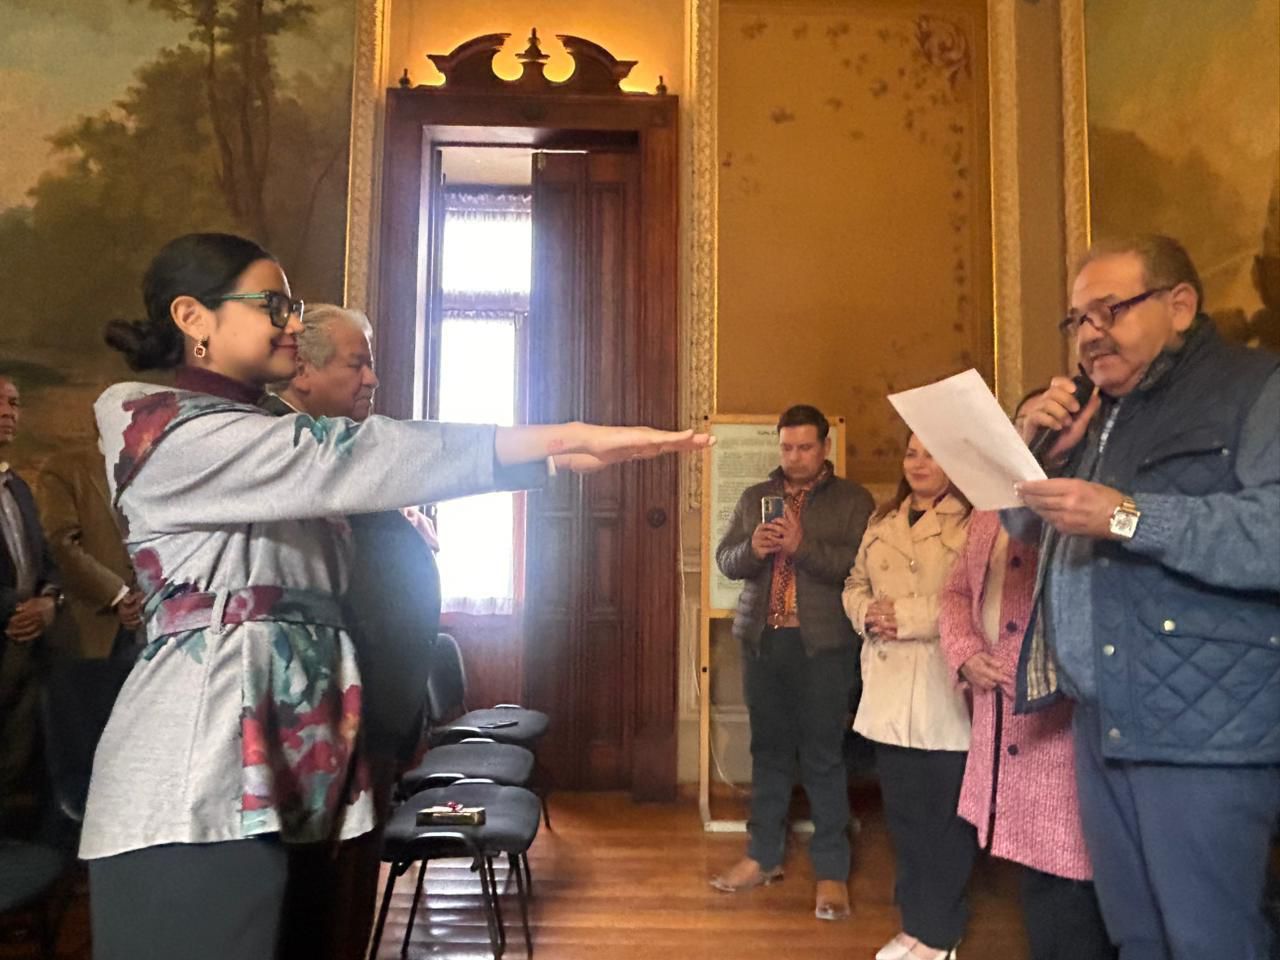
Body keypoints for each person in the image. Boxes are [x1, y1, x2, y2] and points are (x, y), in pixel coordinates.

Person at [81, 232, 710, 960]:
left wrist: (553, 460)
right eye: (273, 306)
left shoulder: (264, 430)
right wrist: (559, 436)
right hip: (194, 779)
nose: (293, 323)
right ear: (193, 316)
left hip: (284, 765)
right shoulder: (160, 429)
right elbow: (350, 456)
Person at [1011, 234, 1279, 960]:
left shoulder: (1256, 387)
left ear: (1180, 305)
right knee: (1136, 939)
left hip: (1203, 729)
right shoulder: (1100, 412)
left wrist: (1126, 515)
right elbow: (1019, 528)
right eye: (1078, 319)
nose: (1090, 334)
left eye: (1111, 310)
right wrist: (1035, 450)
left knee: (1210, 942)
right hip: (1105, 719)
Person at [261, 302, 442, 960]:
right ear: (303, 371)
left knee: (345, 908)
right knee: (316, 908)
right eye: (356, 363)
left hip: (371, 720)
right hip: (328, 723)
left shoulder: (338, 448)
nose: (371, 378)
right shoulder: (282, 451)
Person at [939, 391, 1113, 960]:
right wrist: (965, 651)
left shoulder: (1080, 500)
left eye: (1045, 425)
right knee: (1038, 885)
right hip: (998, 720)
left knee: (1071, 878)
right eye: (1022, 426)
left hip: (1058, 720)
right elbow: (955, 591)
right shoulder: (989, 509)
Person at [711, 404, 874, 921]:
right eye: (787, 447)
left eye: (805, 447)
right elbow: (725, 560)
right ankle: (763, 856)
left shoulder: (853, 501)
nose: (795, 457)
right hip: (763, 642)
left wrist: (802, 546)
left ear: (825, 447)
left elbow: (857, 567)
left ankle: (832, 871)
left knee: (824, 756)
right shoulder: (755, 497)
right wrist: (753, 549)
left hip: (824, 645)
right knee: (768, 752)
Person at [843, 432, 973, 960]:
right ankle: (916, 925)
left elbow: (980, 598)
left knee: (944, 820)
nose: (919, 464)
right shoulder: (883, 520)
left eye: (932, 453)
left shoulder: (974, 522)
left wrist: (908, 617)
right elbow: (854, 583)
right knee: (904, 817)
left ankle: (940, 935)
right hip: (890, 688)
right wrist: (865, 612)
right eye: (912, 453)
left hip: (944, 686)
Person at [0, 375, 63, 831]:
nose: (8, 413)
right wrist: (16, 608)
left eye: (14, 403)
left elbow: (45, 560)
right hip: (8, 628)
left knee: (17, 755)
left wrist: (49, 600)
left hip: (26, 646)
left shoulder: (18, 486)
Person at [38, 445, 141, 660]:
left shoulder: (156, 464)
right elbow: (60, 544)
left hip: (154, 628)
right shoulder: (64, 468)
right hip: (94, 632)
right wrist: (117, 593)